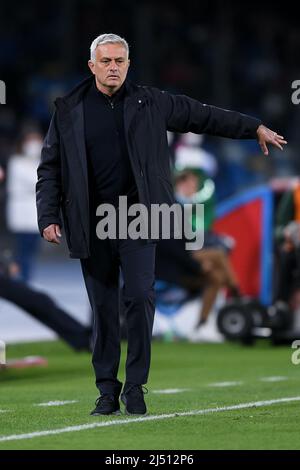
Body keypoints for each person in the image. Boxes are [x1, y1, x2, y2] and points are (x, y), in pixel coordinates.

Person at [36, 33, 287, 416]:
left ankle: (135, 387)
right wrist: (48, 216)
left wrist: (251, 127)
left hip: (139, 218)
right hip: (92, 221)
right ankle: (106, 389)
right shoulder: (69, 108)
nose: (114, 67)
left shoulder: (150, 102)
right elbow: (50, 168)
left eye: (120, 61)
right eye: (106, 61)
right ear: (92, 66)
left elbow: (203, 114)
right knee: (103, 311)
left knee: (139, 297)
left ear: (128, 64)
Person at [6, 129, 43, 282]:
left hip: (35, 213)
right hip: (21, 213)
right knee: (21, 250)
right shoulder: (16, 161)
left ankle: (24, 278)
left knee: (32, 249)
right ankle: (21, 279)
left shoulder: (42, 161)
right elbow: (37, 181)